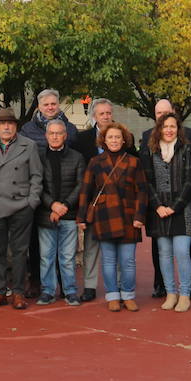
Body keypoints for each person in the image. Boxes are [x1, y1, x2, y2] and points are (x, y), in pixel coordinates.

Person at [77, 122, 148, 311]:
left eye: (117, 137)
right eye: (110, 137)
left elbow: (142, 191)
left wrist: (140, 215)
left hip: (128, 216)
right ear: (104, 140)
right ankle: (113, 295)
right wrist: (81, 217)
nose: (114, 140)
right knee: (108, 260)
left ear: (124, 140)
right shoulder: (95, 162)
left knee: (128, 261)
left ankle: (128, 294)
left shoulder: (134, 162)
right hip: (104, 216)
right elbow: (86, 190)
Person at [0, 107, 42, 309]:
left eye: (10, 123)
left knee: (20, 252)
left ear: (16, 126)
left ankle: (18, 292)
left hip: (21, 205)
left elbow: (36, 176)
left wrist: (32, 202)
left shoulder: (29, 145)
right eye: (2, 123)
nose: (6, 127)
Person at [141, 99, 191, 300]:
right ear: (159, 127)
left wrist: (175, 207)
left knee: (182, 252)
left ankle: (184, 293)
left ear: (178, 128)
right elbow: (146, 179)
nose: (168, 130)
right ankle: (170, 293)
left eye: (172, 126)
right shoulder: (150, 148)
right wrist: (158, 205)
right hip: (159, 210)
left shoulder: (187, 148)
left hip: (182, 209)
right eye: (165, 126)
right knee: (164, 254)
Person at [36, 119, 85, 306]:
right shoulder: (39, 157)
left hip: (69, 214)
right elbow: (36, 184)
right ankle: (47, 291)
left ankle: (70, 290)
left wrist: (63, 205)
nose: (55, 136)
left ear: (65, 135)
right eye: (52, 133)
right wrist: (52, 205)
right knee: (46, 256)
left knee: (67, 257)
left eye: (59, 133)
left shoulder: (76, 157)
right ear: (46, 135)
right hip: (46, 214)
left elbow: (80, 185)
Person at [71, 97, 115, 302]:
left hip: (116, 202)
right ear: (94, 116)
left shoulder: (124, 136)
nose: (106, 116)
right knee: (90, 247)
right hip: (92, 201)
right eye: (102, 113)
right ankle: (89, 286)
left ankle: (116, 287)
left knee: (116, 246)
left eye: (108, 113)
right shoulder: (82, 139)